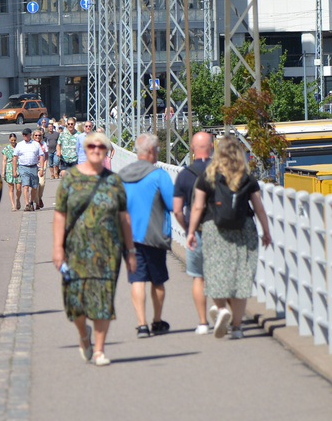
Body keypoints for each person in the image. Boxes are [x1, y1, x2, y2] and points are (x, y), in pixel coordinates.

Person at [53, 131, 137, 366]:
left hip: (108, 251)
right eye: (92, 146)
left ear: (106, 150)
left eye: (101, 146)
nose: (96, 150)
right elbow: (60, 215)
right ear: (86, 149)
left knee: (103, 300)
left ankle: (99, 350)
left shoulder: (114, 181)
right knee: (75, 303)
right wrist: (58, 248)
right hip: (75, 250)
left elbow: (124, 218)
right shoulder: (70, 178)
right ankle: (84, 335)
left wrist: (130, 251)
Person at [186, 135, 272, 339]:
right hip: (245, 229)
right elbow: (259, 208)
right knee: (241, 277)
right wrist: (266, 232)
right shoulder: (247, 178)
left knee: (215, 272)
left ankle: (221, 308)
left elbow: (197, 206)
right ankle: (237, 328)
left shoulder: (206, 176)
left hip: (214, 228)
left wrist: (190, 232)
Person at [119, 134, 174, 338]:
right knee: (157, 281)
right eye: (158, 149)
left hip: (129, 236)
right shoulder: (159, 175)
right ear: (150, 151)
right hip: (154, 235)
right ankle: (157, 321)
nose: (158, 153)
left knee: (137, 280)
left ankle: (141, 325)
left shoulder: (122, 174)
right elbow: (172, 204)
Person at [173, 131, 214, 334]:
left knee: (199, 277)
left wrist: (187, 229)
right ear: (212, 147)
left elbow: (178, 210)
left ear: (192, 148)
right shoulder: (222, 171)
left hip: (197, 231)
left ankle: (203, 322)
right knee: (219, 273)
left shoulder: (185, 174)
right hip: (221, 230)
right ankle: (225, 312)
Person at [12, 127, 44, 212]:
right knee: (25, 186)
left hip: (33, 167)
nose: (25, 136)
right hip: (23, 167)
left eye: (26, 134)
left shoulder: (36, 144)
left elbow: (41, 156)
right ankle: (27, 204)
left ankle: (31, 202)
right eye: (23, 135)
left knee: (34, 187)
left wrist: (41, 169)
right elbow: (15, 158)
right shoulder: (20, 145)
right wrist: (14, 170)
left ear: (30, 135)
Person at [1, 132, 22, 211]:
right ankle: (13, 205)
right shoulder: (6, 149)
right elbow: (4, 160)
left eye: (14, 140)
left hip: (18, 167)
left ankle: (18, 199)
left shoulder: (19, 147)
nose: (13, 141)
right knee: (11, 188)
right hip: (9, 168)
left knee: (19, 187)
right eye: (12, 140)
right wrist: (3, 171)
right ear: (9, 140)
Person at [33, 128, 48, 209]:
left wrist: (45, 163)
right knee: (35, 185)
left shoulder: (43, 144)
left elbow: (46, 154)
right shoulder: (31, 144)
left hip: (41, 166)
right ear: (33, 136)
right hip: (33, 166)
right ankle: (37, 202)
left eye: (39, 135)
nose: (38, 137)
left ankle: (39, 198)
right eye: (36, 135)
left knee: (41, 183)